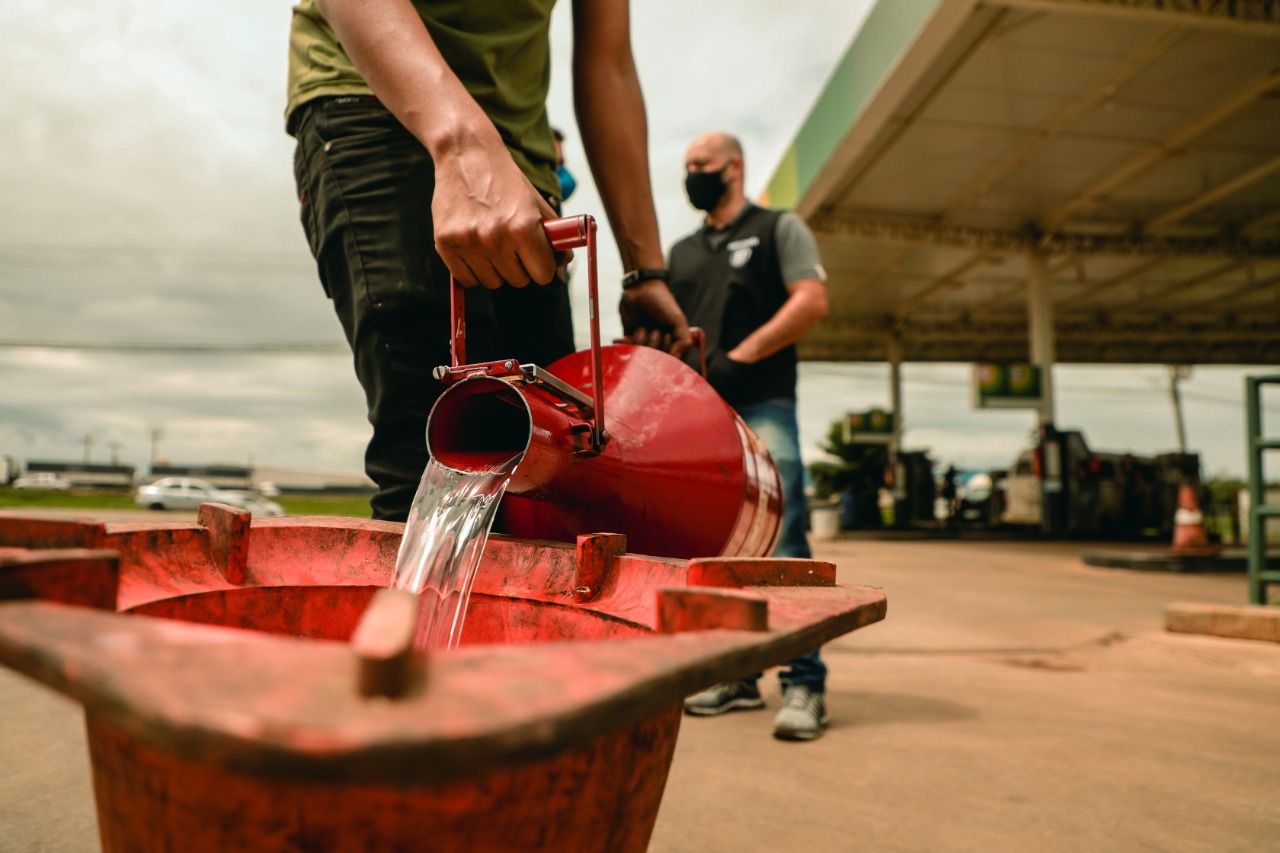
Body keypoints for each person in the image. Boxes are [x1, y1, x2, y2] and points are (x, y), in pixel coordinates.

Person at [286, 0, 691, 521]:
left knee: (549, 472)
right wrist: (460, 147)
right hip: (380, 101)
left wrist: (644, 270)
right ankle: (420, 600)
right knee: (437, 462)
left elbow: (608, 63)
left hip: (521, 159)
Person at [657, 131, 832, 740]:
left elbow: (810, 300)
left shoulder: (779, 229)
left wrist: (742, 356)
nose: (692, 175)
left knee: (785, 537)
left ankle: (804, 683)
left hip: (763, 405)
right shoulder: (679, 254)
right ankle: (737, 676)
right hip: (700, 418)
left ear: (734, 166)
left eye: (701, 165)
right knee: (716, 547)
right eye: (685, 167)